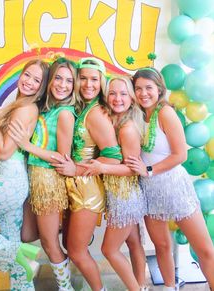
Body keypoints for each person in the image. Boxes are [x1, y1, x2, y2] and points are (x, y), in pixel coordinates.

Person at [125, 67, 214, 291]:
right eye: (138, 88)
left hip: (174, 187)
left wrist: (149, 169)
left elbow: (180, 155)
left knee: (205, 249)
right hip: (150, 191)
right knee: (161, 245)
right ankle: (169, 287)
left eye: (149, 88)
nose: (143, 93)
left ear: (159, 89)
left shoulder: (165, 113)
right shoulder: (135, 114)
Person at [8, 57, 79, 291]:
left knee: (49, 243)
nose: (62, 85)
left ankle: (65, 286)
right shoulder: (45, 108)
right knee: (27, 235)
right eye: (58, 78)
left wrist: (27, 146)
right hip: (31, 180)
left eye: (69, 81)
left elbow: (63, 157)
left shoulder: (65, 114)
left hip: (48, 182)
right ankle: (58, 228)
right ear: (49, 81)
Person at [51, 57, 122, 291]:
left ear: (102, 82)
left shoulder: (97, 114)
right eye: (83, 78)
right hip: (74, 186)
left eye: (94, 79)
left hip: (88, 190)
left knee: (77, 251)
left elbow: (113, 157)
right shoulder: (82, 109)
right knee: (69, 244)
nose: (88, 84)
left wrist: (77, 169)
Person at [0, 59, 49, 291]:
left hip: (8, 180)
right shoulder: (21, 105)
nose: (29, 81)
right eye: (27, 75)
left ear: (41, 87)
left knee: (12, 250)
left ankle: (18, 254)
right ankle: (19, 259)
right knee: (17, 265)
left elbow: (6, 151)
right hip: (11, 181)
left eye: (36, 80)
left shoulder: (24, 107)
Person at [78, 75, 148, 291]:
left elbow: (132, 169)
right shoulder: (113, 121)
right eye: (113, 93)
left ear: (132, 98)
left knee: (109, 250)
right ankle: (141, 285)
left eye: (123, 94)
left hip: (125, 197)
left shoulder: (127, 128)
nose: (118, 98)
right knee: (134, 243)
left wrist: (102, 167)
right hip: (122, 195)